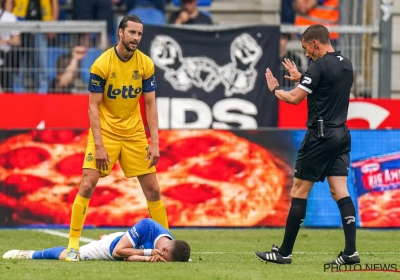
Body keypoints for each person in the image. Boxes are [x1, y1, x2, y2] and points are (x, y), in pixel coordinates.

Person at [64, 15, 169, 262]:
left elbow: (151, 105)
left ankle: (167, 245)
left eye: (139, 34)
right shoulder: (101, 65)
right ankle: (72, 245)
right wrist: (99, 145)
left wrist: (154, 142)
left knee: (153, 190)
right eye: (132, 33)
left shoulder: (145, 64)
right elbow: (92, 108)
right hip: (106, 132)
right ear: (120, 33)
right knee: (88, 184)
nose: (136, 38)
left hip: (134, 134)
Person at [254, 24, 359, 265]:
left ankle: (284, 253)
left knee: (299, 190)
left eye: (306, 48)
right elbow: (328, 89)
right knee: (339, 190)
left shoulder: (318, 66)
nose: (307, 54)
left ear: (315, 44)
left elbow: (293, 99)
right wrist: (304, 79)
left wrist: (276, 89)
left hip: (320, 135)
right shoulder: (346, 63)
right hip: (342, 134)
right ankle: (350, 252)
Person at [3, 218, 191, 262]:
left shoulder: (170, 244)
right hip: (111, 247)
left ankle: (106, 236)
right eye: (165, 261)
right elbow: (118, 252)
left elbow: (128, 258)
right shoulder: (147, 225)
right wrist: (148, 254)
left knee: (125, 250)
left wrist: (145, 259)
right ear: (165, 251)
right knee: (70, 257)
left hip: (125, 245)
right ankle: (28, 254)